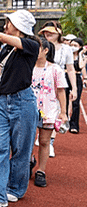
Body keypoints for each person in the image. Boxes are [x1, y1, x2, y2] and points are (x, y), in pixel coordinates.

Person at [0, 10, 39, 207]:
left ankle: (15, 188)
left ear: (18, 25)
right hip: (2, 101)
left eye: (8, 22)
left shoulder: (32, 45)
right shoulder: (7, 49)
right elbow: (1, 75)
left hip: (22, 102)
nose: (5, 25)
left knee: (21, 150)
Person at [31, 37, 67, 188]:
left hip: (48, 110)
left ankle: (41, 170)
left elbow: (60, 91)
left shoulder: (55, 69)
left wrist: (63, 112)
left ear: (45, 51)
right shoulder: (28, 66)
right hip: (29, 109)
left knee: (45, 142)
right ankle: (28, 162)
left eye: (37, 48)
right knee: (26, 141)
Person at [38, 21, 76, 157]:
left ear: (59, 33)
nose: (47, 34)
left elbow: (70, 69)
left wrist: (74, 88)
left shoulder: (66, 49)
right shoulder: (39, 46)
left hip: (57, 83)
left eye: (51, 32)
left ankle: (50, 142)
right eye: (45, 32)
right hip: (39, 82)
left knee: (55, 113)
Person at [69, 38, 87, 133]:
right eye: (71, 45)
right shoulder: (67, 54)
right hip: (66, 77)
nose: (73, 48)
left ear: (80, 47)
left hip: (76, 79)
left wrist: (80, 54)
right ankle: (64, 121)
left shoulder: (83, 57)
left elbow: (80, 66)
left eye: (75, 46)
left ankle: (74, 125)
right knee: (65, 101)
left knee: (75, 102)